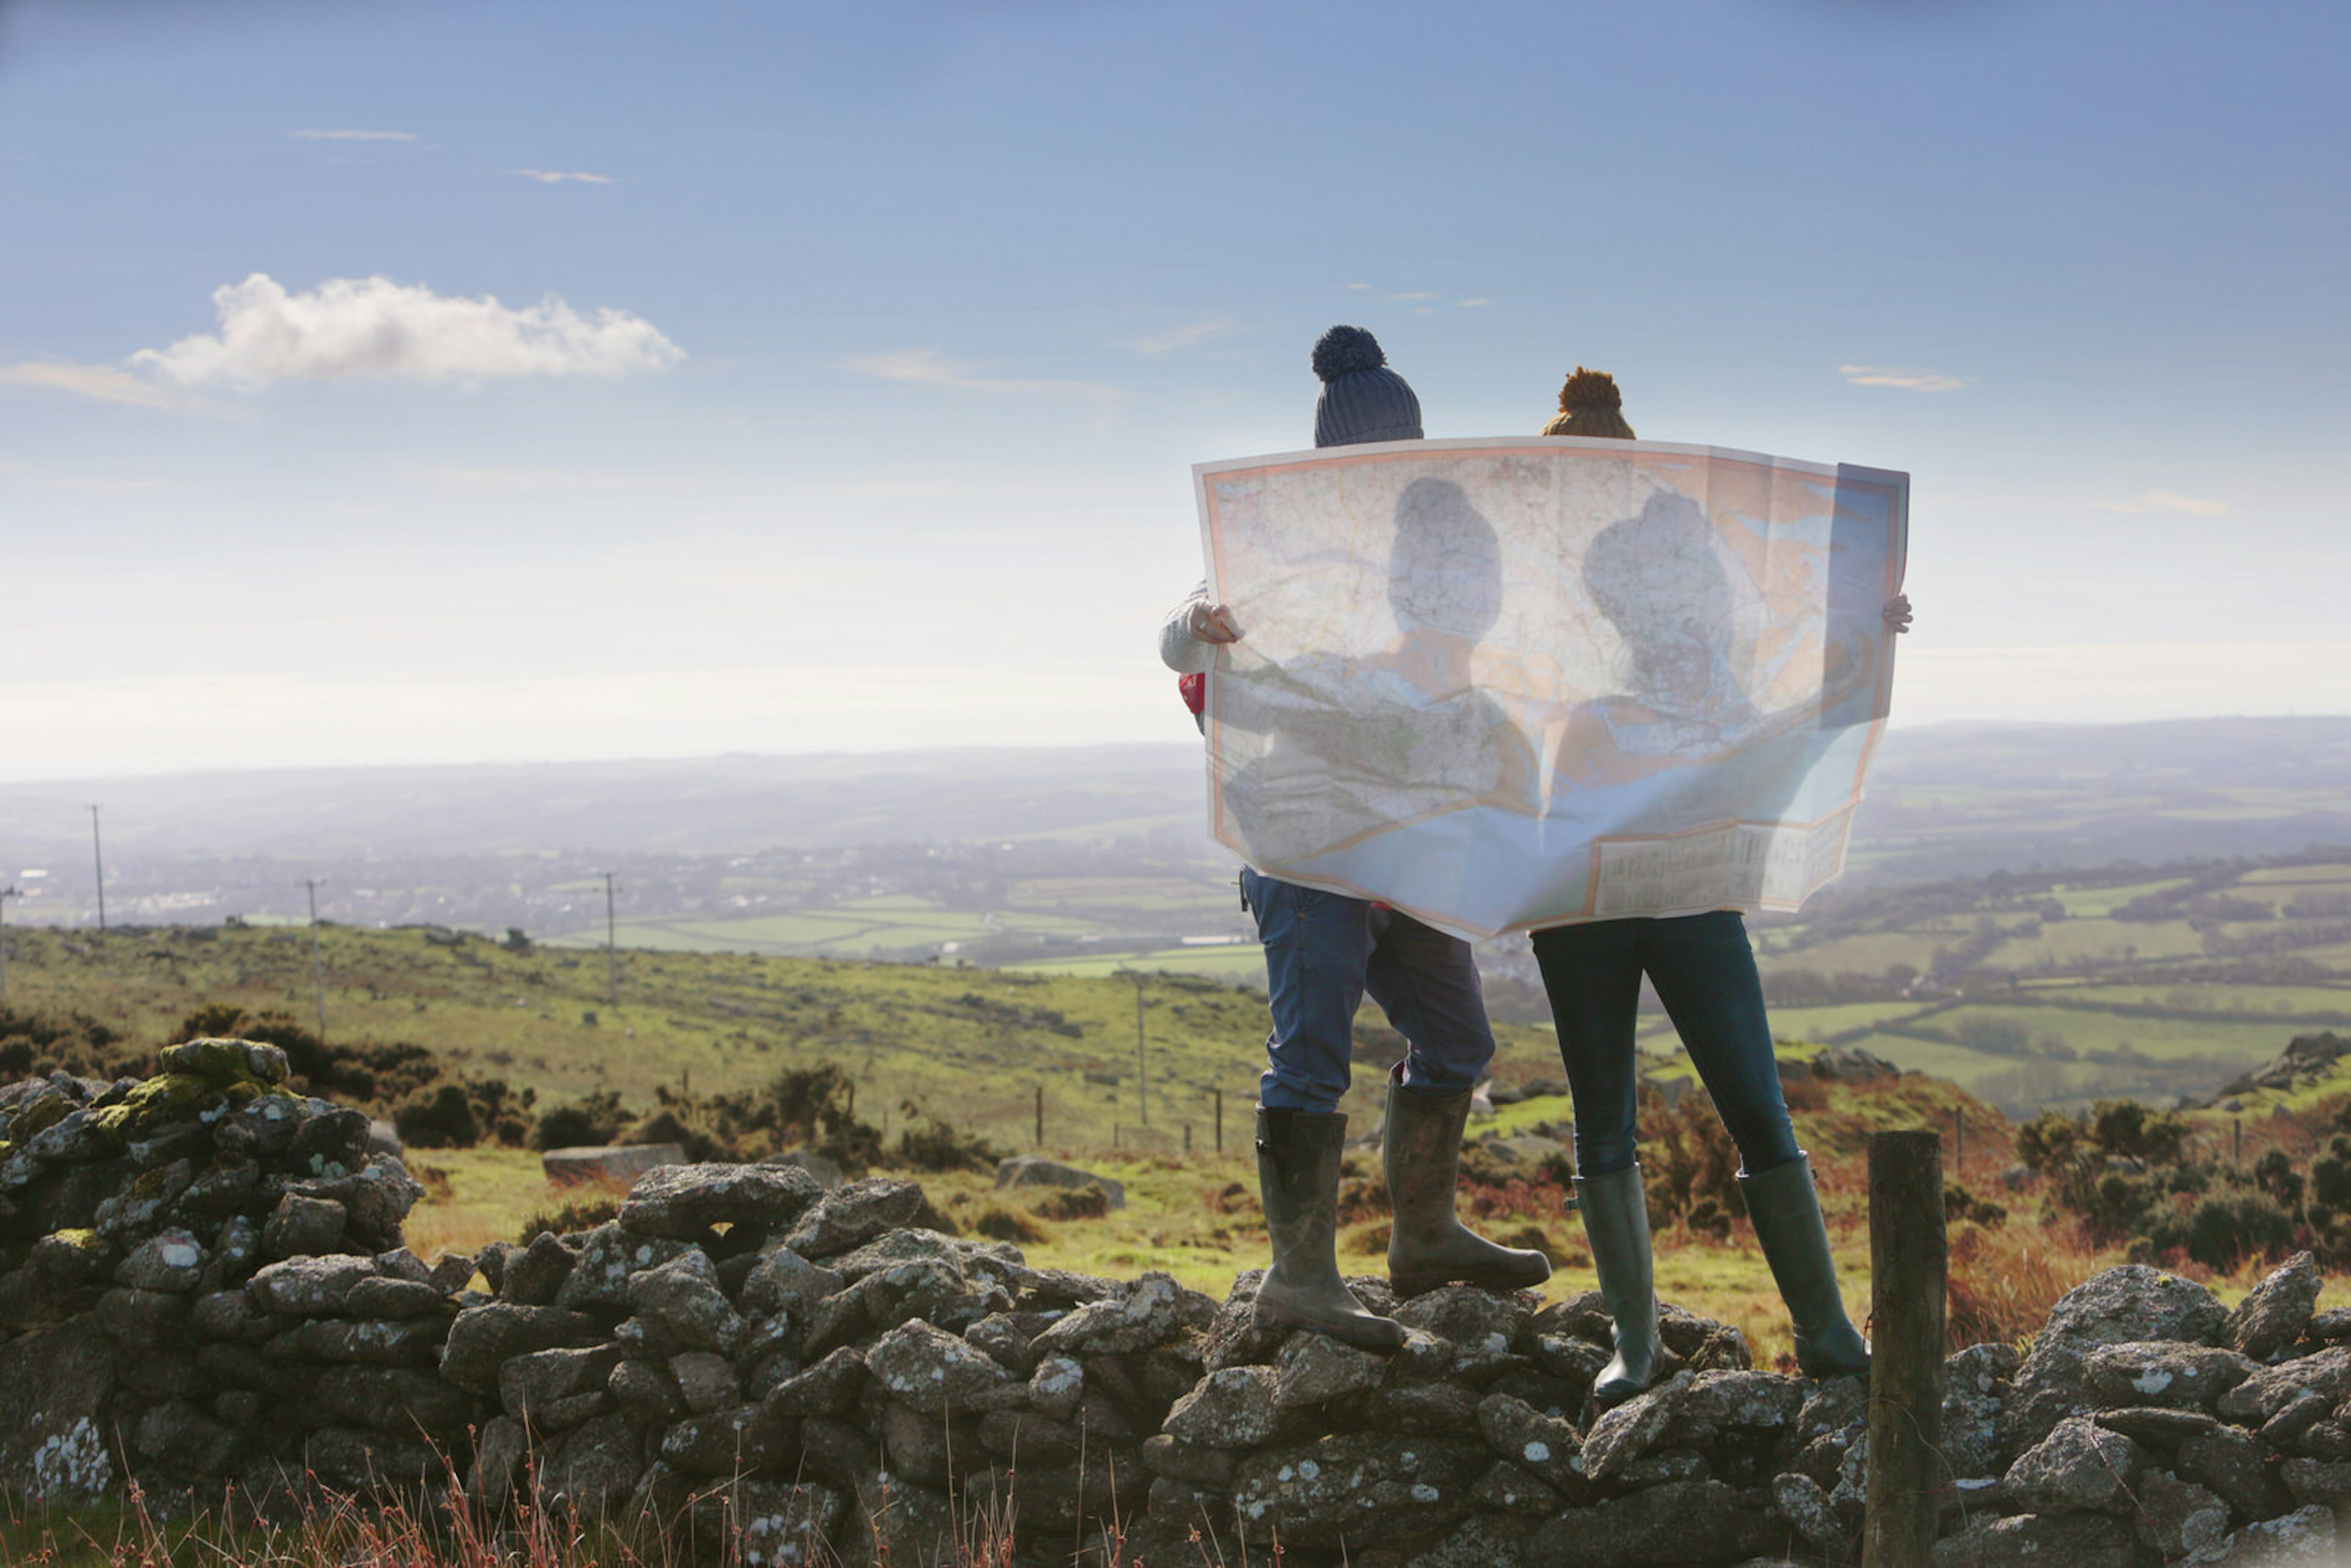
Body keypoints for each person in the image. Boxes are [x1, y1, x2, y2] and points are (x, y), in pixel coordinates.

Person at [1161, 326, 1551, 1349]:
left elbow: (1489, 640)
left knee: (1458, 1040)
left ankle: (1423, 1238)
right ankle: (1300, 1277)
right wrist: (1200, 621)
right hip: (1306, 846)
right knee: (1313, 1058)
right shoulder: (1280, 539)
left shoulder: (1441, 532)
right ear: (1336, 453)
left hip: (1406, 841)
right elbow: (1179, 639)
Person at [1532, 366, 1911, 1406]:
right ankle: (1637, 1346)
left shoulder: (1684, 544)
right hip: (1582, 885)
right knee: (1602, 1116)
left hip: (1688, 882)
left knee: (1753, 1105)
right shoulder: (1550, 572)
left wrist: (1869, 629)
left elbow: (1787, 699)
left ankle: (1826, 1332)